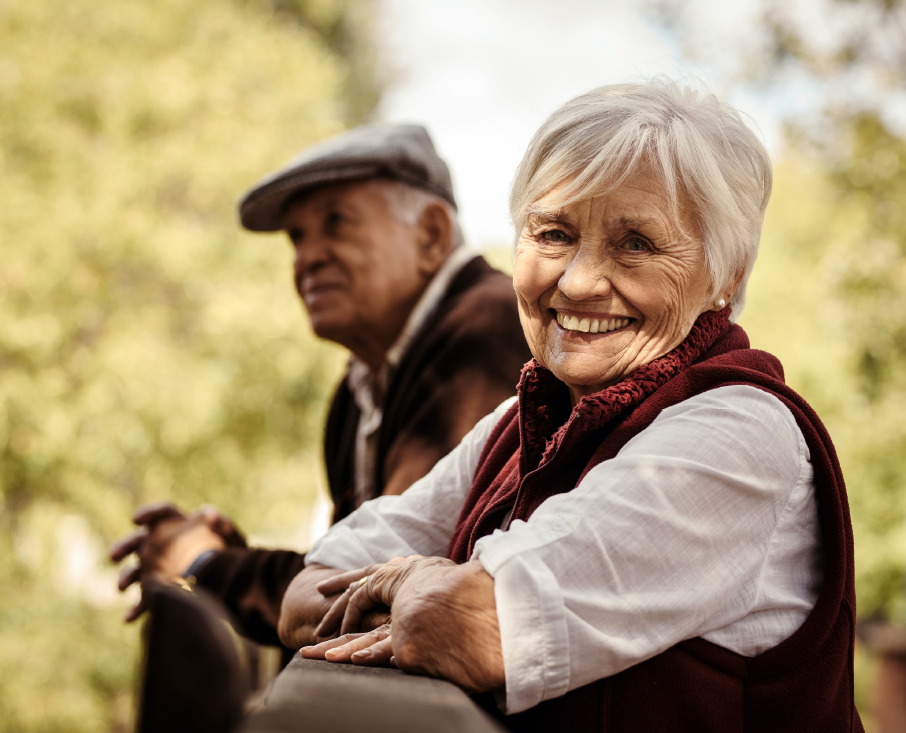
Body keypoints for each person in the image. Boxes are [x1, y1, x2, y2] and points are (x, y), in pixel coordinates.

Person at [277, 80, 863, 732]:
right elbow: (304, 595)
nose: (578, 281)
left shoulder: (742, 434)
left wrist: (425, 581)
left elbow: (472, 625)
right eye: (553, 233)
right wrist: (426, 593)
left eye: (636, 243)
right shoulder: (514, 423)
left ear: (724, 275)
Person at [109, 123, 531, 649]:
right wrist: (228, 563)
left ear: (431, 235)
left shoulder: (483, 334)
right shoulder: (357, 390)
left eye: (336, 222)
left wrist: (204, 565)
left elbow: (383, 585)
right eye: (297, 237)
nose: (306, 257)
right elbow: (343, 582)